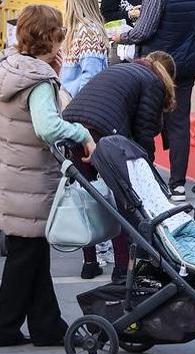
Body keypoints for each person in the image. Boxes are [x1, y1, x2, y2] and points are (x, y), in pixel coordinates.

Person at [0, 4, 94, 347]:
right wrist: (81, 133)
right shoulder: (38, 81)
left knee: (30, 253)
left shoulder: (8, 68)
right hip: (29, 179)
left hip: (9, 175)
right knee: (26, 255)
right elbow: (48, 127)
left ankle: (46, 325)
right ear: (50, 37)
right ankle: (3, 328)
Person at [116, 0, 195, 201]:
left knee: (146, 120)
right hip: (186, 69)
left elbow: (144, 31)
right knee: (179, 124)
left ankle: (145, 179)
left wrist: (120, 37)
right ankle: (178, 185)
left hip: (157, 67)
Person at [64, 51, 177, 281]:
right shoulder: (152, 82)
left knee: (88, 198)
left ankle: (89, 264)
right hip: (101, 132)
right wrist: (146, 169)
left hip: (73, 126)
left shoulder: (124, 70)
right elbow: (144, 134)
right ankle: (122, 269)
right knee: (122, 202)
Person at [58, 0, 109, 96]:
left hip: (79, 103)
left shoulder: (88, 32)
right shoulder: (77, 30)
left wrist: (81, 107)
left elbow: (91, 75)